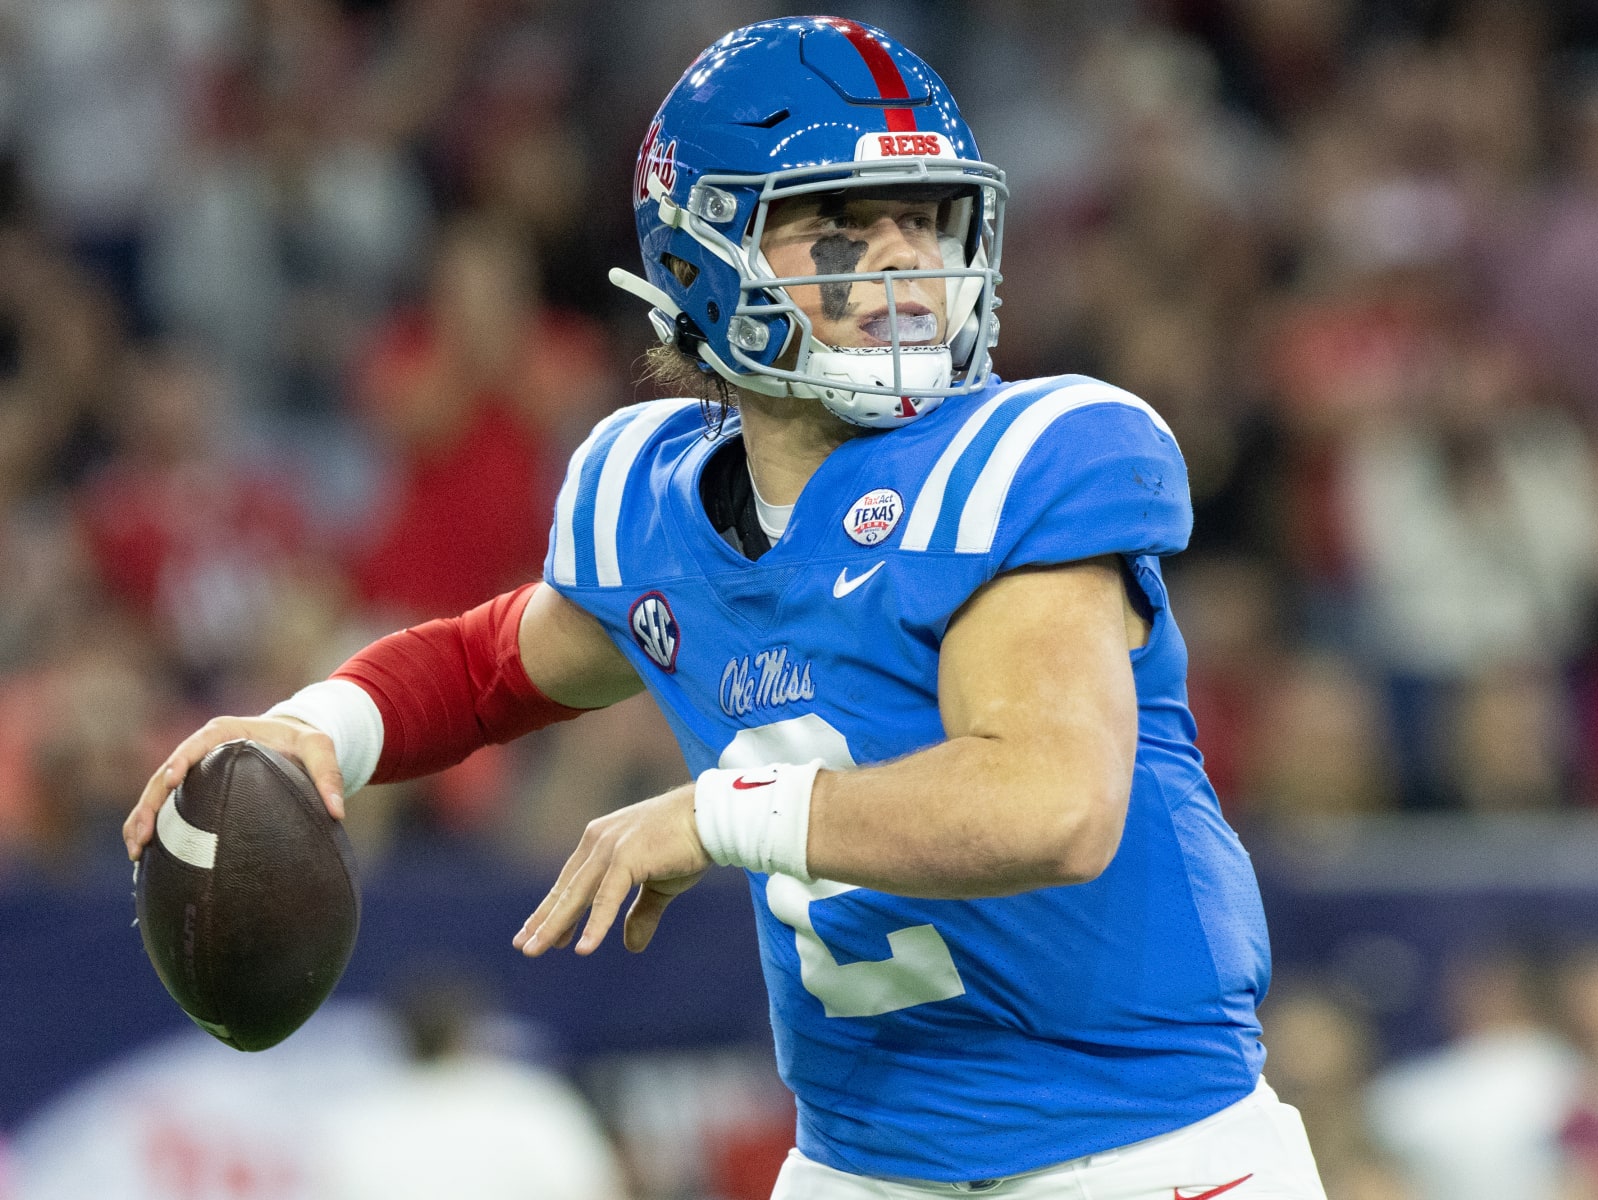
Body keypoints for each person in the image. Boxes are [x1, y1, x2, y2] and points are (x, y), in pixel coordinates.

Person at [124, 17, 1325, 1199]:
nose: (904, 259)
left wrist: (719, 813)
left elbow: (1052, 803)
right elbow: (492, 665)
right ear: (702, 258)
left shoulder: (1026, 458)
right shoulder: (652, 503)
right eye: (844, 224)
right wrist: (313, 730)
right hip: (861, 1164)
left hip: (1138, 1153)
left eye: (924, 215)